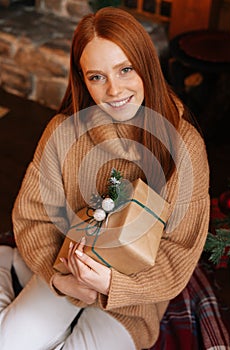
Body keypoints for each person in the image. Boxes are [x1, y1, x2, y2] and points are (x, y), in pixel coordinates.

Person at [0, 6, 210, 350]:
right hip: (63, 273)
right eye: (96, 76)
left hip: (130, 303)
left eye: (125, 69)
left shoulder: (184, 146)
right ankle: (10, 263)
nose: (114, 90)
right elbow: (32, 215)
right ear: (83, 80)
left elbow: (179, 254)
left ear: (147, 66)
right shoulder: (63, 133)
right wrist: (61, 280)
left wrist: (114, 284)